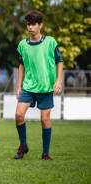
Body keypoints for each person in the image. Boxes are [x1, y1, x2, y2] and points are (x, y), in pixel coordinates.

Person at [14, 10, 63, 160]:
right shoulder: (22, 45)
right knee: (18, 114)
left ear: (40, 25)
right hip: (28, 86)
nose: (30, 27)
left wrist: (58, 81)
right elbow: (21, 65)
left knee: (44, 119)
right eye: (28, 24)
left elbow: (59, 61)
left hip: (46, 86)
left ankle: (45, 153)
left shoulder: (50, 42)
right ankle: (23, 145)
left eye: (34, 24)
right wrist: (19, 86)